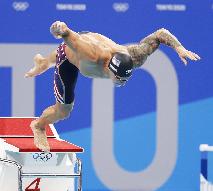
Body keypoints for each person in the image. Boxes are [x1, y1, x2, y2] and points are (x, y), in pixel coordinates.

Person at [25, 21, 200, 152]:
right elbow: (67, 35)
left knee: (66, 55)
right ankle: (39, 126)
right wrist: (60, 28)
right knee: (63, 111)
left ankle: (42, 62)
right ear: (108, 68)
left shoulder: (134, 56)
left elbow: (160, 33)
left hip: (88, 43)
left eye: (124, 80)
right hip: (71, 57)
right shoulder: (90, 54)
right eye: (118, 79)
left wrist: (179, 48)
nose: (121, 83)